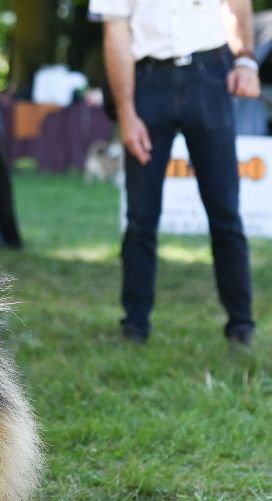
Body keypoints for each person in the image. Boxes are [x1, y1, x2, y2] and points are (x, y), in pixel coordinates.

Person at [91, 0, 259, 346]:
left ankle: (241, 326)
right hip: (148, 81)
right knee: (141, 216)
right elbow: (116, 31)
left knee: (225, 210)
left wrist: (245, 60)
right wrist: (127, 114)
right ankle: (134, 327)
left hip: (209, 74)